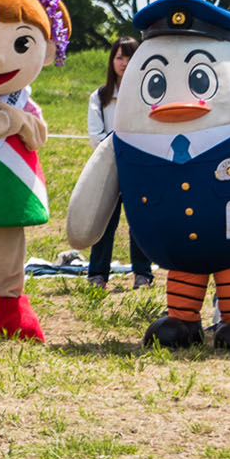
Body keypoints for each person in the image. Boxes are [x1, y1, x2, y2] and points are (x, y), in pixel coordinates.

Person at [85, 35, 152, 290]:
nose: (124, 63)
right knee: (104, 222)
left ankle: (143, 274)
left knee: (140, 222)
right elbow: (96, 135)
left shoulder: (149, 94)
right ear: (112, 61)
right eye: (119, 57)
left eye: (130, 57)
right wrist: (119, 150)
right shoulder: (99, 96)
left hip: (140, 169)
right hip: (107, 169)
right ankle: (97, 274)